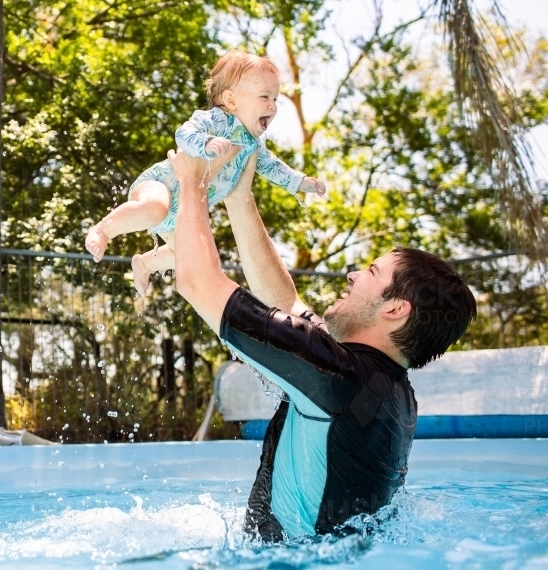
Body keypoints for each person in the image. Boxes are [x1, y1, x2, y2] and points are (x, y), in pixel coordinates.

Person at [166, 147, 476, 541]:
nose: (351, 274)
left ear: (396, 309)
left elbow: (197, 283)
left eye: (371, 271)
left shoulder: (339, 376)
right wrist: (239, 198)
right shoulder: (387, 386)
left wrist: (192, 180)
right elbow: (287, 305)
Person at [84, 51, 326, 296]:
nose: (273, 106)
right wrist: (206, 143)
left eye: (275, 98)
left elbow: (273, 167)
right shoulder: (218, 120)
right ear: (231, 101)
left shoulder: (252, 144)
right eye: (265, 97)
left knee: (191, 257)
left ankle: (145, 263)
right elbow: (184, 133)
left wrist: (301, 182)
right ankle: (102, 231)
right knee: (155, 208)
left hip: (182, 209)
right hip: (160, 186)